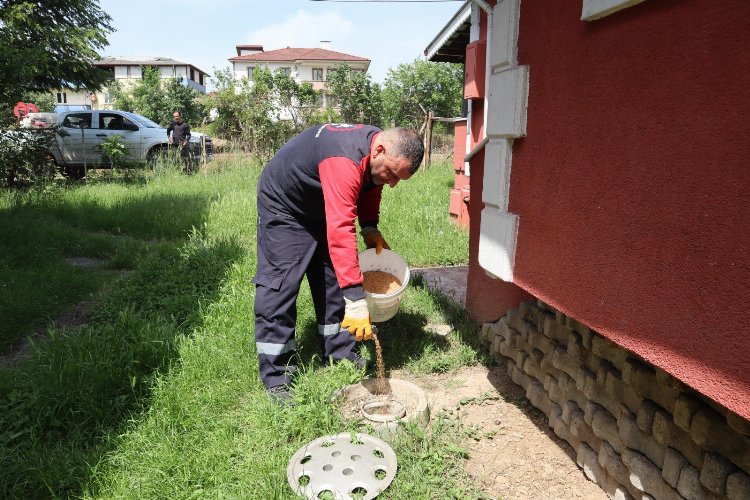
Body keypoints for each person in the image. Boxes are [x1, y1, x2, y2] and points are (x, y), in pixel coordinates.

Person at [253, 124, 424, 404]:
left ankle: (340, 353)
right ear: (380, 150)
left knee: (333, 281)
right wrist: (357, 301)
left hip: (323, 201)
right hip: (285, 205)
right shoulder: (344, 159)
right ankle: (277, 376)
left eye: (398, 180)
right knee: (280, 286)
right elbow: (341, 228)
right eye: (392, 174)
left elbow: (371, 186)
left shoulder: (375, 153)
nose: (392, 183)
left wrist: (369, 227)